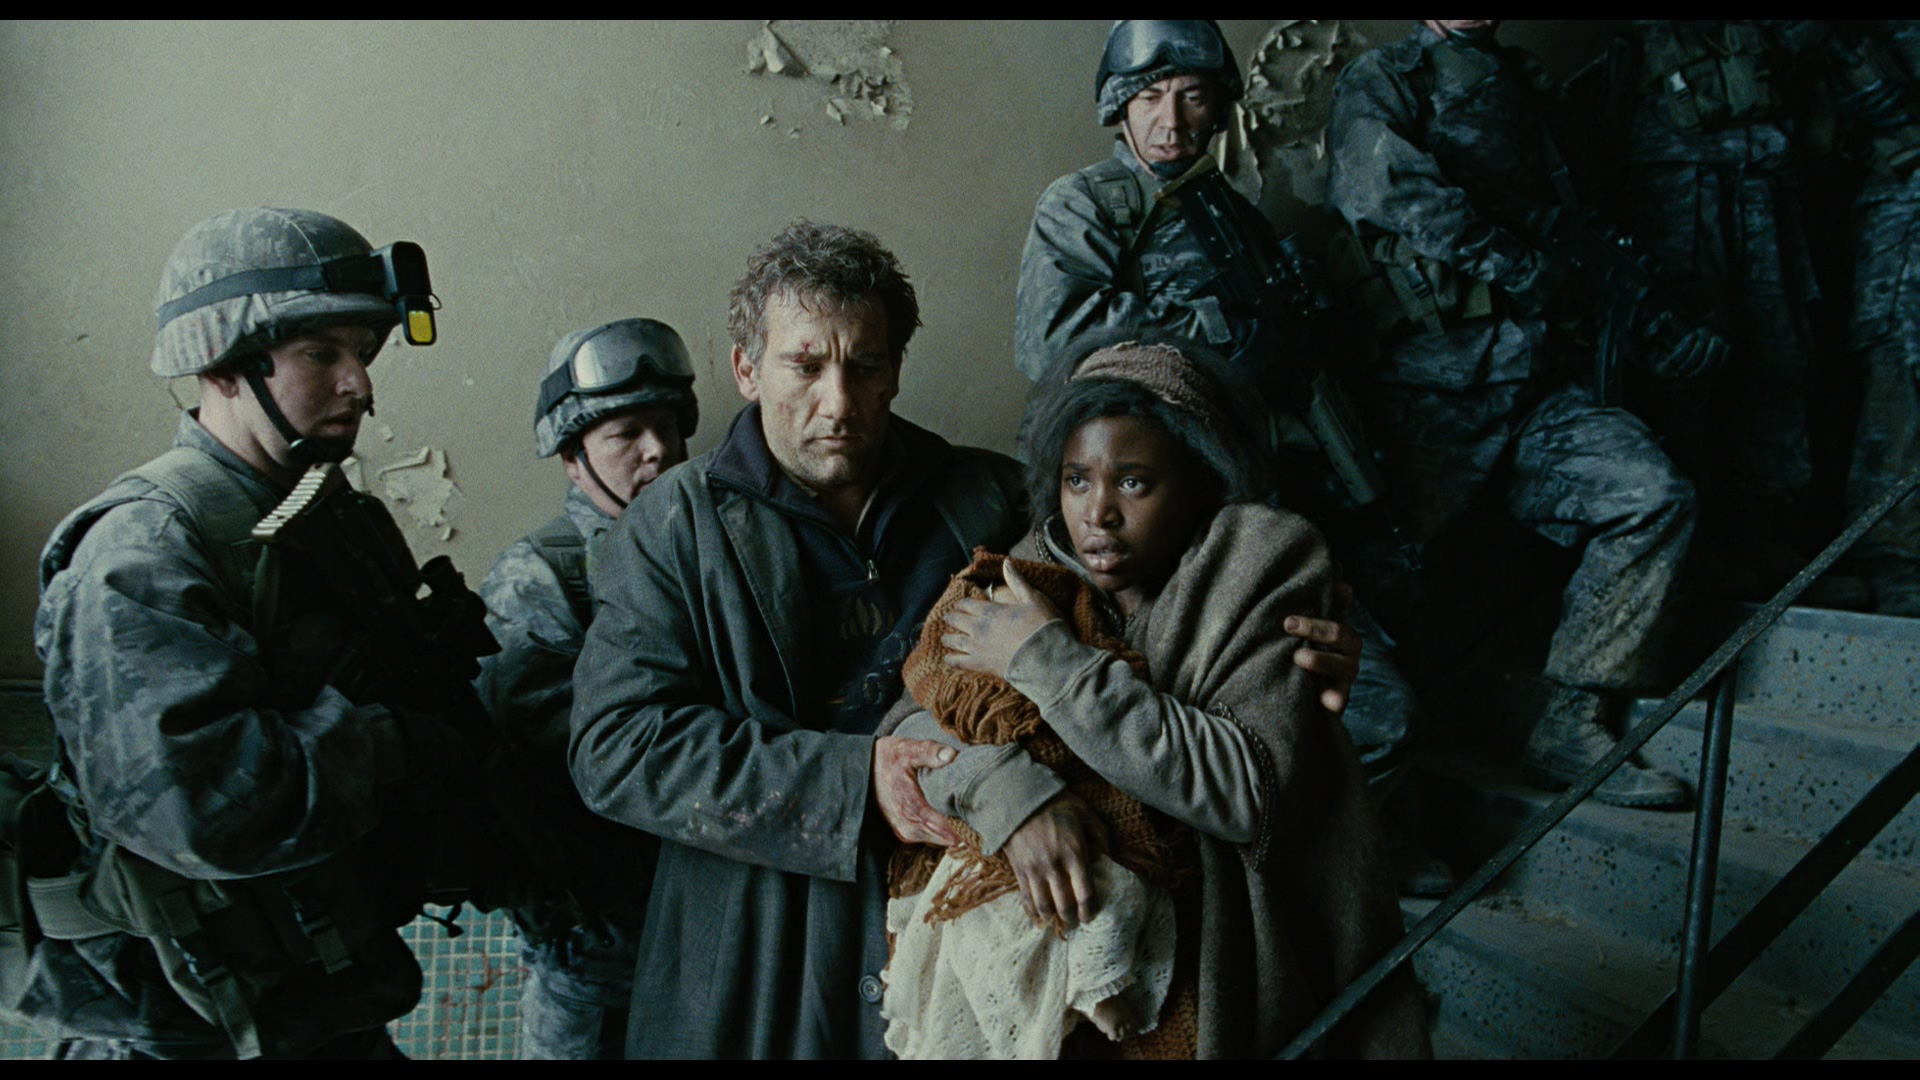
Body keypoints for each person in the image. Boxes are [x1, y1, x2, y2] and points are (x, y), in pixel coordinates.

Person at [565, 222, 1360, 1059]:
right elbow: (615, 746)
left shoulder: (987, 497)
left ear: (895, 371)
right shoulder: (673, 525)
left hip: (984, 917)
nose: (838, 402)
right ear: (747, 369)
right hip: (763, 936)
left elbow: (1150, 619)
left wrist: (1290, 647)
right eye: (805, 366)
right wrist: (861, 779)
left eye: (865, 365)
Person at [884, 338, 1430, 1058]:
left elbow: (1243, 791)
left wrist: (1047, 661)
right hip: (1085, 962)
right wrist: (1007, 793)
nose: (1098, 513)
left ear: (1200, 480)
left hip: (1226, 953)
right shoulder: (1033, 566)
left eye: (1135, 483)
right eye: (1076, 480)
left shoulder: (1258, 561)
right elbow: (914, 718)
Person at [26, 208, 487, 1058]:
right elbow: (199, 807)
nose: (361, 384)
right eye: (322, 354)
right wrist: (397, 744)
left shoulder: (333, 517)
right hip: (184, 1026)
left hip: (319, 999)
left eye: (364, 352)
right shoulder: (140, 554)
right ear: (222, 366)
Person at [1014, 18, 1443, 894]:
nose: (1171, 120)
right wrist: (1209, 334)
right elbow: (1050, 344)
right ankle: (1273, 883)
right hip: (1156, 527)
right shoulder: (1088, 205)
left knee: (1373, 696)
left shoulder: (1223, 208)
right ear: (1118, 105)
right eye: (1149, 97)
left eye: (1193, 97)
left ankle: (1321, 862)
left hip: (1255, 505)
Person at [1326, 21, 1705, 807]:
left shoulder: (1528, 83)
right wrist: (1519, 262)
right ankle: (1372, 803)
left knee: (1651, 496)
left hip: (1539, 380)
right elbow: (1383, 190)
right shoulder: (1388, 77)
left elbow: (1581, 213)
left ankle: (1572, 714)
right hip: (1428, 394)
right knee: (1374, 583)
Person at [473, 318, 697, 1058]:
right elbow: (569, 764)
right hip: (599, 946)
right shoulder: (539, 577)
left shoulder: (710, 549)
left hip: (700, 924)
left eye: (667, 426)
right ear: (573, 460)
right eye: (625, 433)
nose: (657, 450)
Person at [1598, 22, 1838, 601]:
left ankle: (1765, 528)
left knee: (1777, 352)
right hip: (1678, 178)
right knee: (1687, 363)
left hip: (1761, 173)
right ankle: (1696, 549)